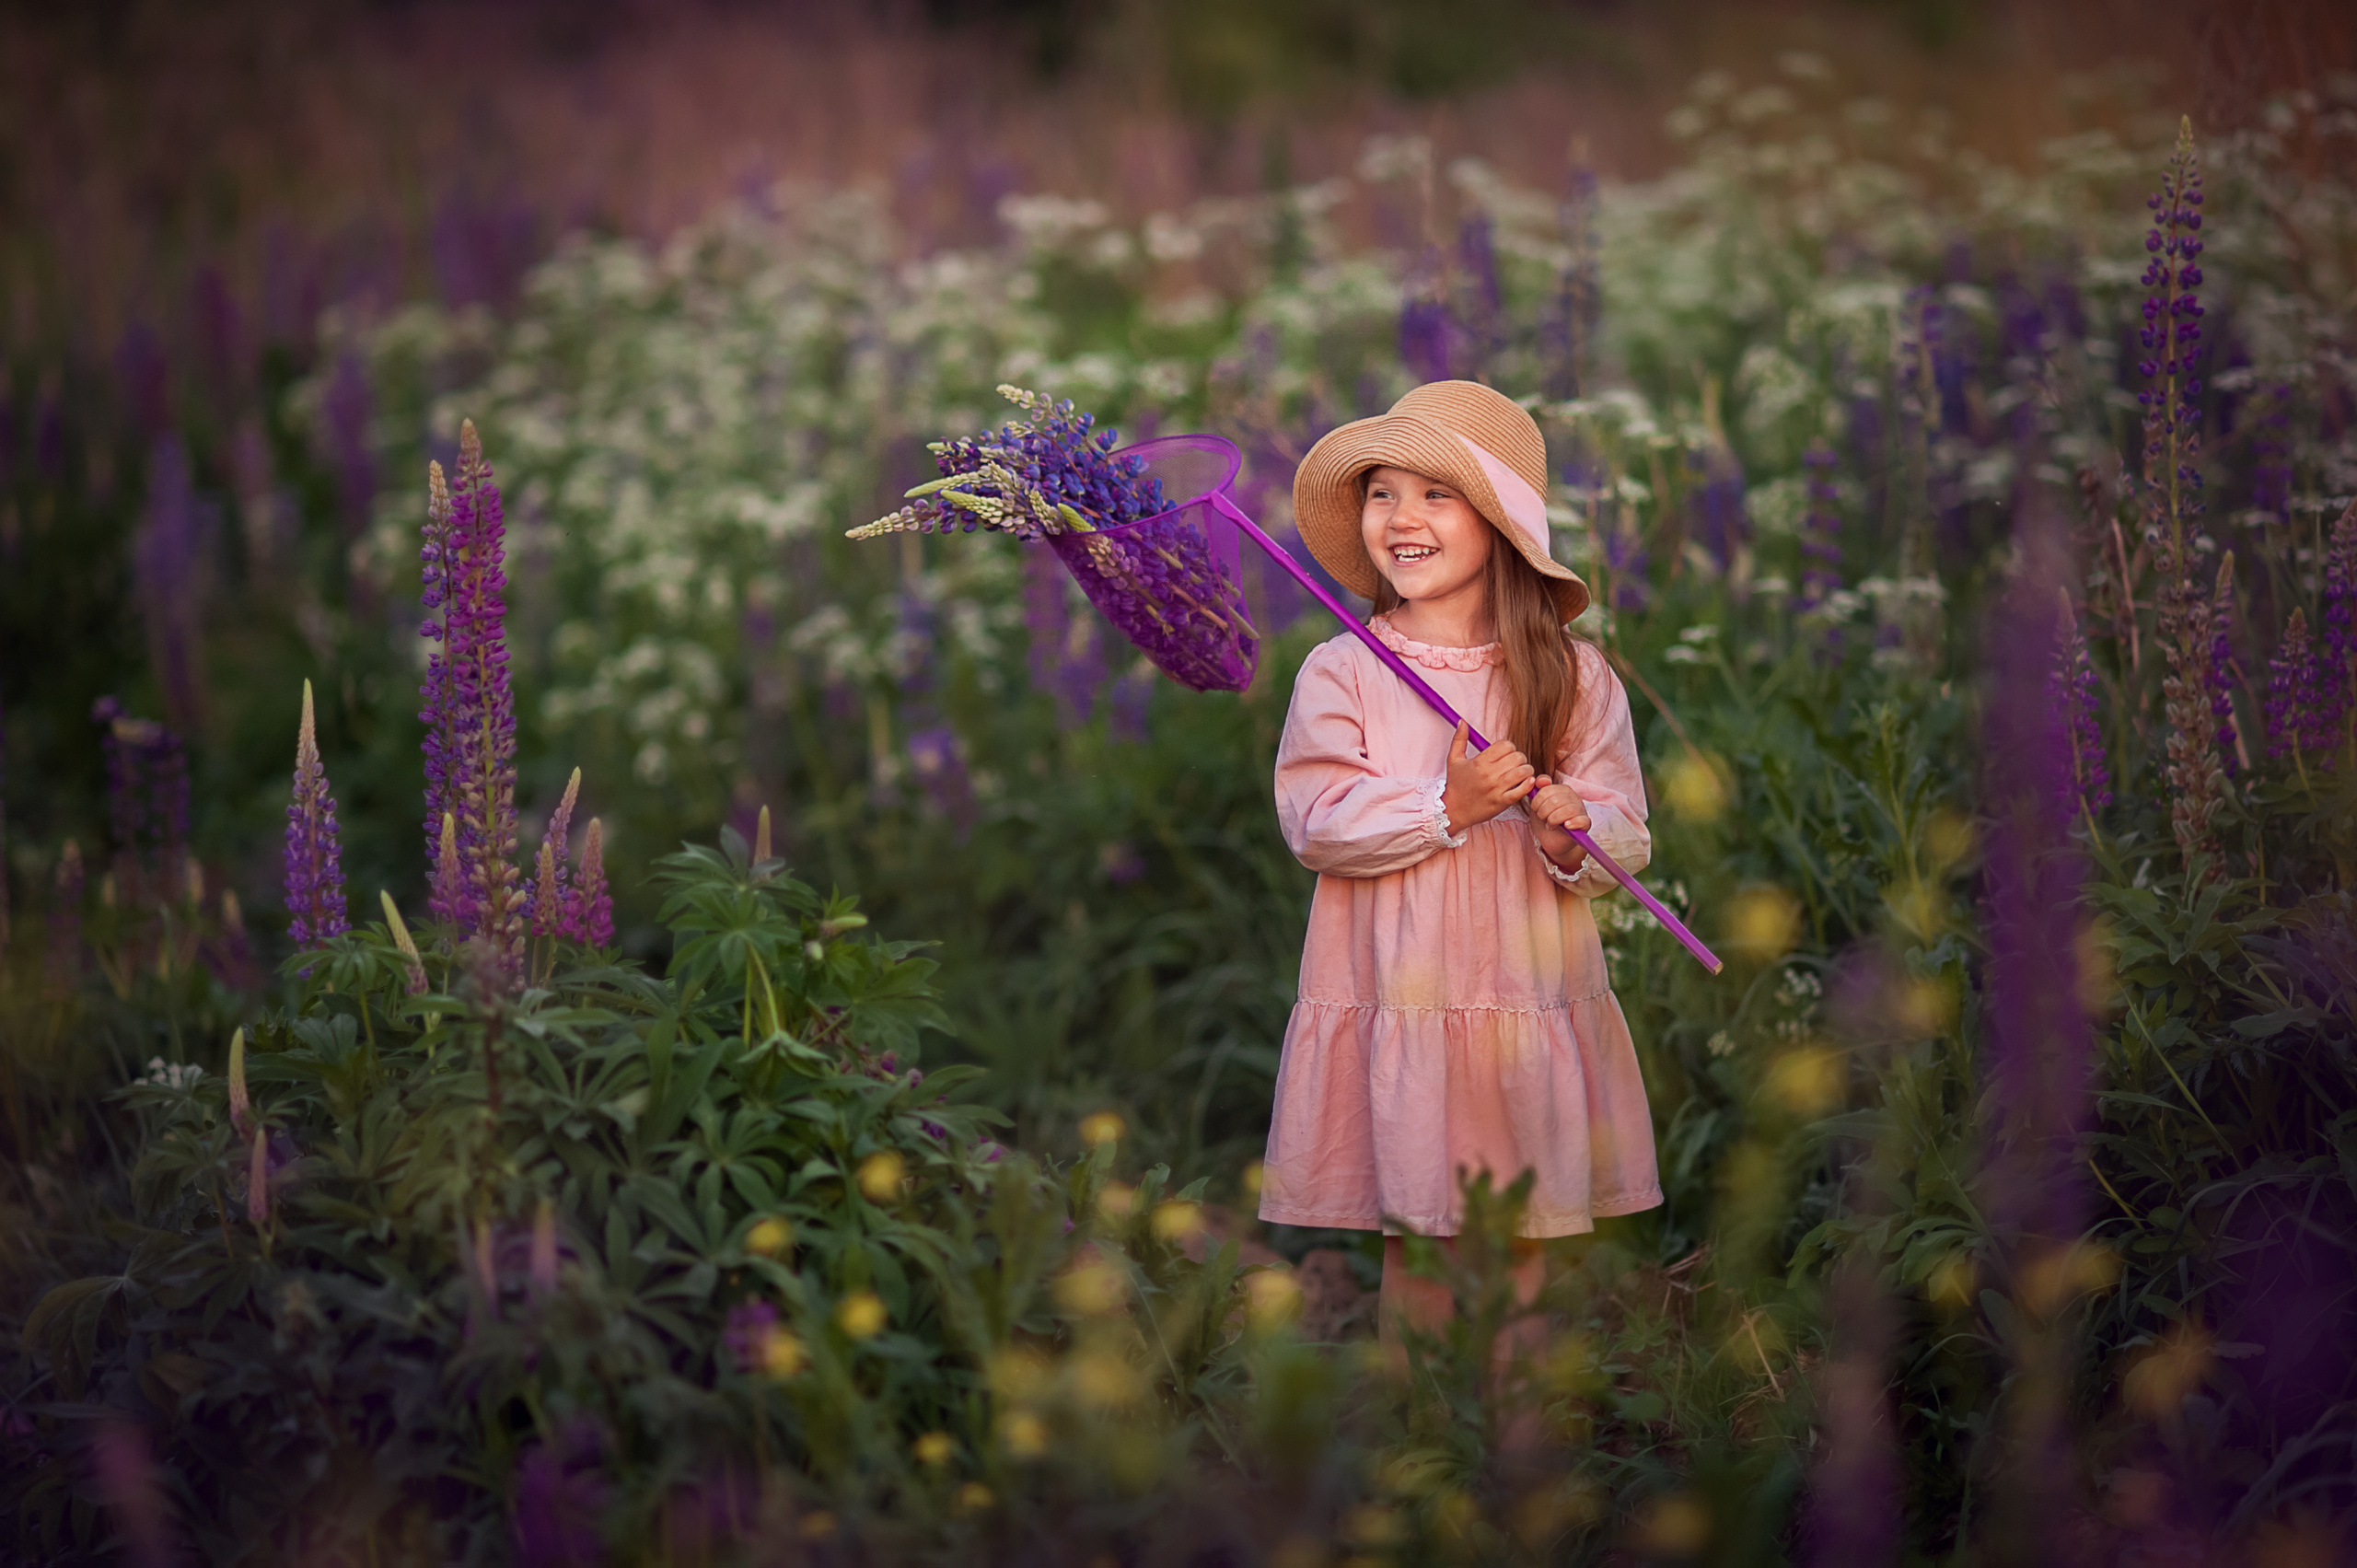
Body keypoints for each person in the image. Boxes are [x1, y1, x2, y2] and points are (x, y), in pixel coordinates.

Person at [1257, 379, 1661, 1347]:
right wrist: (1450, 805)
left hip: (1521, 993)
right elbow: (1316, 820)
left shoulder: (1569, 675)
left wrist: (1571, 836)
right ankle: (1423, 1448)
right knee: (1425, 1238)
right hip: (1407, 995)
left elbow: (1627, 831)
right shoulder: (1344, 667)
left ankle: (1521, 1457)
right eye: (1381, 492)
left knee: (1522, 1234)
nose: (1400, 517)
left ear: (1500, 525)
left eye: (1435, 495)